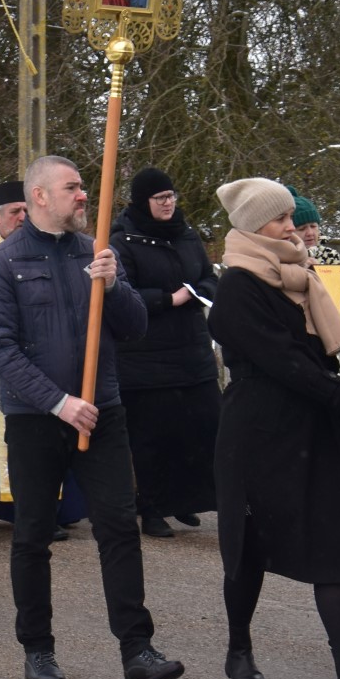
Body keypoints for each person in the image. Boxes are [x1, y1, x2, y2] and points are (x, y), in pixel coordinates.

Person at [0, 155, 183, 679]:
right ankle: (38, 649)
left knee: (118, 529)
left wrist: (114, 286)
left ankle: (137, 650)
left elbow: (135, 327)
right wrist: (58, 402)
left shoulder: (96, 253)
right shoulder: (3, 263)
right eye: (73, 188)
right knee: (33, 534)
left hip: (104, 410)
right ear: (40, 196)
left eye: (84, 187)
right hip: (36, 419)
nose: (84, 196)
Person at [207, 178, 340, 679]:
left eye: (292, 217)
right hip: (257, 436)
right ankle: (238, 650)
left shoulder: (306, 279)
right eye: (280, 219)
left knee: (331, 547)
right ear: (251, 227)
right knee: (248, 552)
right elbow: (280, 359)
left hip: (313, 431)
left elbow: (325, 355)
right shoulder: (240, 287)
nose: (292, 227)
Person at [109, 167, 219, 539]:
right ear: (144, 202)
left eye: (171, 196)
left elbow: (209, 276)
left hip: (192, 350)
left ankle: (185, 499)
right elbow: (122, 293)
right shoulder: (123, 240)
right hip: (145, 356)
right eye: (160, 198)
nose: (168, 203)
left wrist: (201, 290)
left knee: (197, 429)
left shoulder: (187, 235)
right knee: (152, 437)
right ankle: (151, 508)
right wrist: (168, 299)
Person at [290, 190, 340, 265]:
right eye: (302, 229)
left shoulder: (330, 256)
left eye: (313, 226)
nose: (310, 233)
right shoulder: (281, 257)